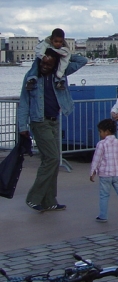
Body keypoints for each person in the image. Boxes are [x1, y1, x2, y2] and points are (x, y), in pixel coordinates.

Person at [17, 49, 88, 212]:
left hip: (54, 121)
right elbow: (24, 101)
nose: (45, 66)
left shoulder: (60, 73)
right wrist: (22, 127)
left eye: (49, 63)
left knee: (52, 161)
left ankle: (49, 200)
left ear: (56, 63)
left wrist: (63, 51)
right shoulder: (31, 77)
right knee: (52, 158)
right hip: (39, 121)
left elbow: (82, 61)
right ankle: (33, 198)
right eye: (43, 62)